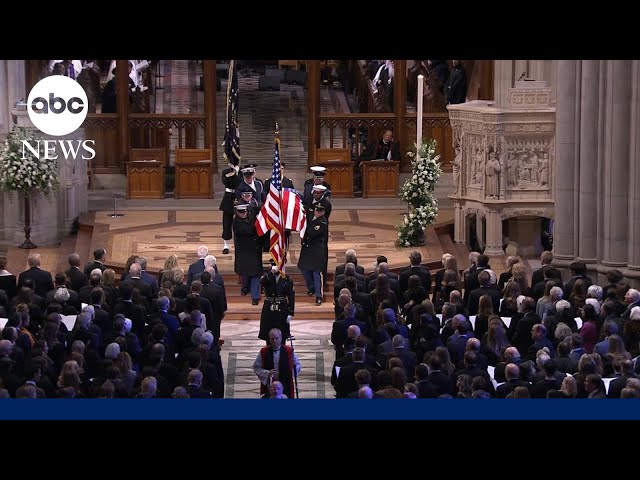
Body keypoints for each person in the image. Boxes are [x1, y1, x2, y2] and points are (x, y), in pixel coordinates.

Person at [253, 328, 300, 399]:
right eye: (272, 339)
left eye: (276, 338)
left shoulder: (289, 351)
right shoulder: (264, 352)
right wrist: (268, 373)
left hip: (285, 383)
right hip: (269, 384)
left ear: (281, 338)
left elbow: (297, 365)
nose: (274, 341)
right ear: (269, 339)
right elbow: (256, 367)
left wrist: (293, 368)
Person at [298, 204, 329, 305]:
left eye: (321, 211)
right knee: (304, 268)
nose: (319, 212)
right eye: (317, 210)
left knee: (316, 273)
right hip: (307, 249)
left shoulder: (323, 222)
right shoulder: (310, 217)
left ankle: (319, 296)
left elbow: (311, 233)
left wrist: (304, 226)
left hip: (317, 251)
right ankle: (311, 287)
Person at [232, 203, 262, 305]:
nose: (243, 214)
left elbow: (257, 207)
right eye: (241, 212)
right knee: (247, 274)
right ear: (237, 212)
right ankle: (246, 289)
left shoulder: (249, 217)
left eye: (245, 211)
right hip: (244, 253)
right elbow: (250, 230)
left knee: (255, 275)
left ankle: (255, 297)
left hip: (253, 252)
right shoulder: (237, 223)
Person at [259, 264, 295, 344]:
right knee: (268, 332)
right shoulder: (268, 276)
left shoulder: (286, 279)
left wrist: (290, 312)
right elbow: (262, 282)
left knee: (282, 334)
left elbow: (291, 296)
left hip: (282, 308)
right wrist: (271, 273)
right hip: (269, 308)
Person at [219, 164, 241, 254]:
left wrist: (237, 173)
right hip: (228, 198)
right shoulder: (226, 172)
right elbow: (226, 182)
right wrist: (233, 173)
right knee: (227, 222)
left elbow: (240, 183)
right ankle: (226, 245)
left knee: (241, 221)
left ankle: (240, 243)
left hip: (239, 197)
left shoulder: (242, 172)